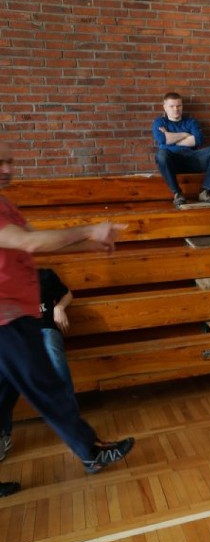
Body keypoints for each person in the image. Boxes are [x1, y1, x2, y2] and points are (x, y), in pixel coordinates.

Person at [0, 142, 135, 498]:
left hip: (15, 315)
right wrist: (89, 230)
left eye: (9, 160)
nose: (7, 168)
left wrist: (86, 246)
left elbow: (34, 243)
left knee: (4, 394)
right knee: (47, 387)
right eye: (0, 162)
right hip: (5, 321)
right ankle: (92, 452)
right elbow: (28, 245)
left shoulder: (5, 204)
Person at [0, 267, 79, 462]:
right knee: (6, 374)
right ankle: (4, 434)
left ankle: (72, 425)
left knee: (53, 355)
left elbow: (67, 294)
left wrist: (59, 307)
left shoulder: (45, 275)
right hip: (16, 339)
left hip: (44, 331)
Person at [152, 92, 210, 208]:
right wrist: (185, 134)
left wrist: (170, 136)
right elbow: (162, 140)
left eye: (179, 106)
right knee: (161, 155)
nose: (176, 109)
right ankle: (177, 193)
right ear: (165, 107)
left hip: (192, 158)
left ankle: (205, 191)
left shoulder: (191, 122)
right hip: (172, 160)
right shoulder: (160, 122)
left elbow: (198, 140)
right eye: (172, 106)